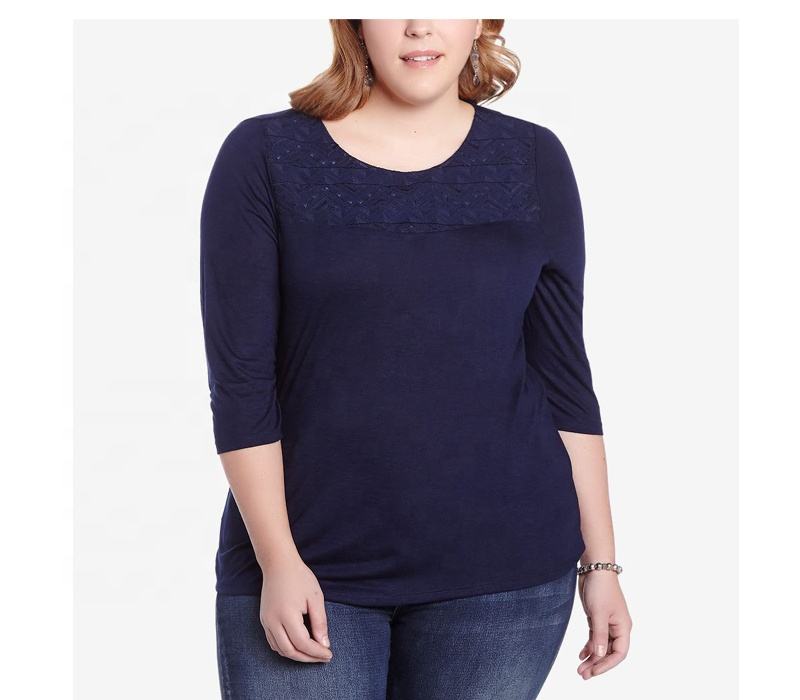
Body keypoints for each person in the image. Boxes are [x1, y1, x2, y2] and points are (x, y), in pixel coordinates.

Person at [200, 18, 632, 699]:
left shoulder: (532, 158)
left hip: (506, 580)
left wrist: (600, 564)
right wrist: (277, 560)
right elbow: (240, 383)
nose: (420, 24)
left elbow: (563, 380)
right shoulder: (265, 154)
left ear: (482, 18)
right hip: (309, 568)